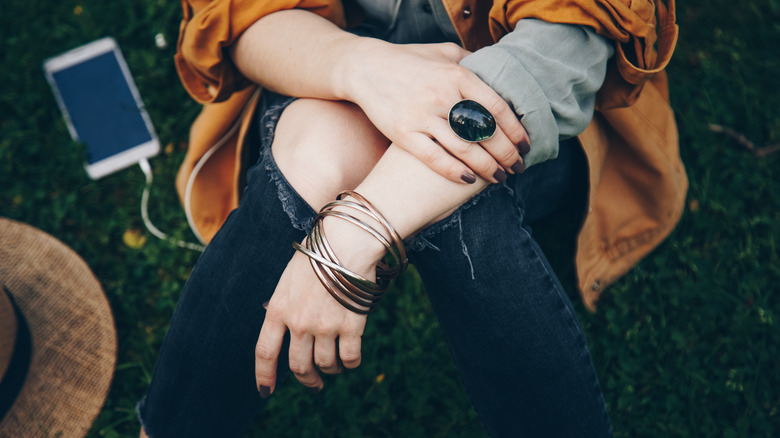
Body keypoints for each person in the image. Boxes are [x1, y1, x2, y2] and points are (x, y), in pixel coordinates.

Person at [137, 0, 687, 436]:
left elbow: (561, 48)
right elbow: (246, 15)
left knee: (462, 187)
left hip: (526, 111)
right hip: (333, 78)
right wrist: (363, 70)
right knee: (320, 150)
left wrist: (354, 231)